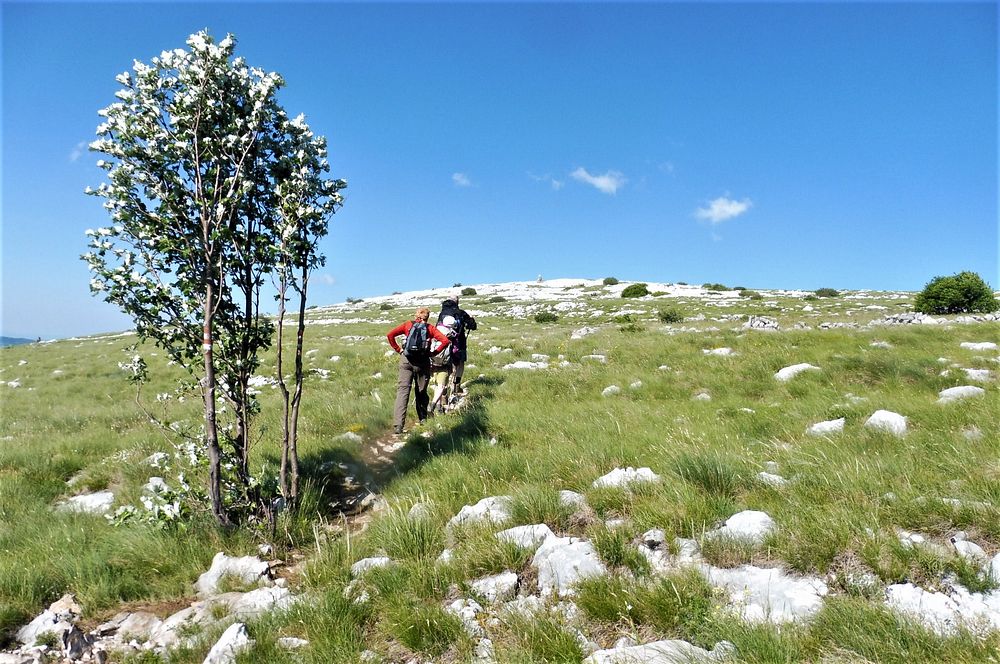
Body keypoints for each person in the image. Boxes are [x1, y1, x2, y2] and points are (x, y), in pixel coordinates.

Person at [386, 307, 451, 434]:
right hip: (423, 362)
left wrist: (398, 350)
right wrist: (433, 353)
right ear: (427, 317)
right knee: (421, 391)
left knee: (403, 392)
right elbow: (445, 341)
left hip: (406, 361)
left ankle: (398, 425)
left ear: (416, 315)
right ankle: (423, 419)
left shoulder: (407, 325)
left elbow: (390, 335)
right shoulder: (430, 328)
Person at [437, 295, 477, 392]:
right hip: (459, 342)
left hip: (444, 342)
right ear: (457, 302)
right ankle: (456, 386)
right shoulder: (460, 313)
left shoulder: (442, 313)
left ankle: (443, 392)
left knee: (446, 365)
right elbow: (472, 326)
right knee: (460, 363)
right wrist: (471, 319)